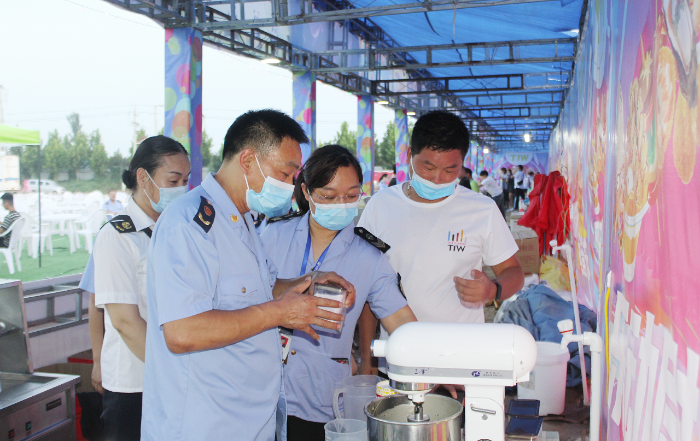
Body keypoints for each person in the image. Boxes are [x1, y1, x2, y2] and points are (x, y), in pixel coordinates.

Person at [140, 110, 357, 441]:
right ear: (248, 160)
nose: (289, 187)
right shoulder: (189, 224)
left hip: (248, 418)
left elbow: (264, 289)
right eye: (284, 175)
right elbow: (182, 332)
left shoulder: (243, 221)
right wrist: (280, 313)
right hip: (204, 425)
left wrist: (313, 280)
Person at [357, 111, 524, 393]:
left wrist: (492, 290)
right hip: (398, 358)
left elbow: (515, 272)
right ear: (410, 154)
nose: (436, 179)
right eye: (427, 166)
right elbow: (366, 287)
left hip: (462, 363)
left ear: (462, 164)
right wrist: (368, 357)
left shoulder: (481, 209)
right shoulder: (380, 206)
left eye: (450, 170)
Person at [260, 145, 416, 441]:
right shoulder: (271, 235)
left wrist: (436, 365)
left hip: (321, 399)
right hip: (260, 390)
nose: (341, 204)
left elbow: (404, 326)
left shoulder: (370, 256)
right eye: (329, 197)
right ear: (306, 192)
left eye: (351, 196)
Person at [92, 135, 191, 441]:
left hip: (174, 376)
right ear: (142, 178)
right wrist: (174, 370)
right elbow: (124, 321)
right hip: (136, 383)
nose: (181, 189)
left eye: (186, 180)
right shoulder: (117, 236)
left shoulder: (177, 231)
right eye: (173, 179)